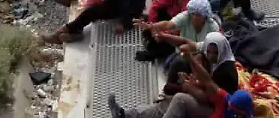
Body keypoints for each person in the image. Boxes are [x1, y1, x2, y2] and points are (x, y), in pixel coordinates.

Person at [109, 43, 255, 118]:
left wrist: (189, 88)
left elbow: (205, 95)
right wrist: (191, 85)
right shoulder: (224, 99)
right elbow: (208, 87)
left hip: (205, 109)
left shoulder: (225, 73)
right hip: (204, 105)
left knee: (180, 100)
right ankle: (125, 115)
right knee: (168, 103)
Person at [134, 0, 217, 63]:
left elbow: (213, 48)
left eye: (198, 15)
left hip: (204, 57)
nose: (195, 17)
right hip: (184, 53)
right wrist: (151, 26)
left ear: (205, 16)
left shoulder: (213, 27)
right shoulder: (185, 16)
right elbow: (168, 25)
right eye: (193, 14)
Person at [165, 32, 240, 95]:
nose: (211, 56)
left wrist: (190, 86)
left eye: (215, 53)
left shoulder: (224, 72)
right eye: (208, 52)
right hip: (205, 85)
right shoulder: (208, 55)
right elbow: (187, 44)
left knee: (178, 96)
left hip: (215, 101)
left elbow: (208, 95)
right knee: (180, 62)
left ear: (222, 50)